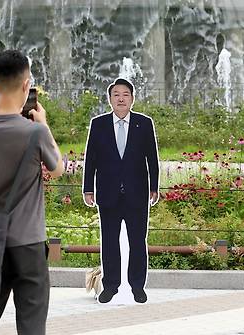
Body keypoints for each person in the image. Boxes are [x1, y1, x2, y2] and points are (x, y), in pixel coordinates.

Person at [0, 50, 64, 335]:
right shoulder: (35, 132)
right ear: (26, 84)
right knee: (32, 323)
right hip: (28, 242)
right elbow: (57, 169)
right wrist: (43, 124)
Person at [82, 78, 159, 304]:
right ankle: (111, 286)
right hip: (108, 194)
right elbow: (91, 159)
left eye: (126, 94)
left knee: (137, 241)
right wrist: (88, 189)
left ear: (132, 99)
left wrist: (154, 187)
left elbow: (152, 159)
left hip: (137, 194)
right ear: (110, 99)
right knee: (109, 242)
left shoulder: (144, 124)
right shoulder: (99, 124)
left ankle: (137, 286)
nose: (121, 98)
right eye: (116, 94)